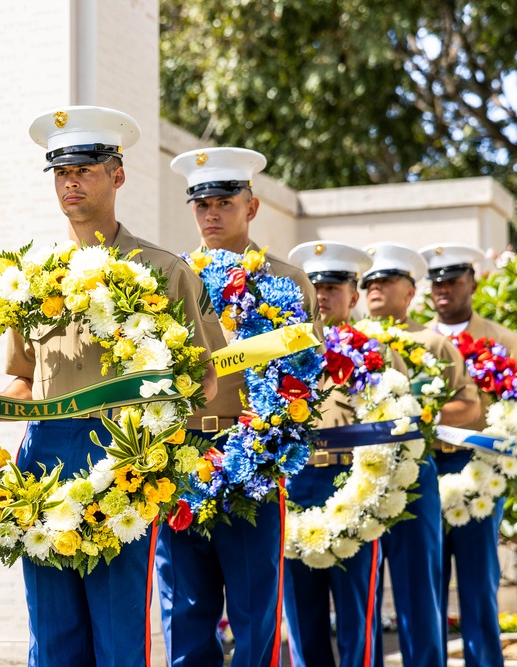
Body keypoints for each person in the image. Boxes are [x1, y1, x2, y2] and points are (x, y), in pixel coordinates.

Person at [0, 106, 225, 667]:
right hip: (44, 465)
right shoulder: (31, 278)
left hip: (124, 462)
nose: (70, 181)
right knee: (51, 639)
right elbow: (24, 380)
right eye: (60, 171)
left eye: (85, 168)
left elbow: (202, 377)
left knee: (120, 639)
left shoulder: (165, 270)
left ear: (117, 175)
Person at [155, 147, 318, 667]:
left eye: (224, 202)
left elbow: (302, 382)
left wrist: (264, 445)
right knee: (185, 613)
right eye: (201, 205)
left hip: (254, 456)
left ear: (252, 206)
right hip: (181, 457)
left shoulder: (288, 282)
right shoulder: (165, 280)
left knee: (254, 615)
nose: (211, 214)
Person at [361, 243, 480, 667]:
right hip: (357, 481)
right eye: (368, 282)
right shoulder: (347, 342)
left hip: (414, 477)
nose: (374, 288)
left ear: (410, 291)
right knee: (362, 600)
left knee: (419, 592)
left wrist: (418, 413)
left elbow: (470, 408)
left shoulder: (432, 343)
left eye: (386, 280)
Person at [420, 242, 517, 667]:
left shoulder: (503, 341)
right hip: (427, 468)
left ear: (473, 280)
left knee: (477, 583)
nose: (444, 288)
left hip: (479, 472)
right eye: (436, 282)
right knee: (427, 584)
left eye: (453, 280)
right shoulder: (417, 339)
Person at [284, 241, 383, 667]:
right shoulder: (285, 348)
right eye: (315, 285)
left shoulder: (377, 353)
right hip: (299, 482)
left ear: (354, 295)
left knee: (357, 611)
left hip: (351, 484)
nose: (322, 294)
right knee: (301, 616)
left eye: (335, 285)